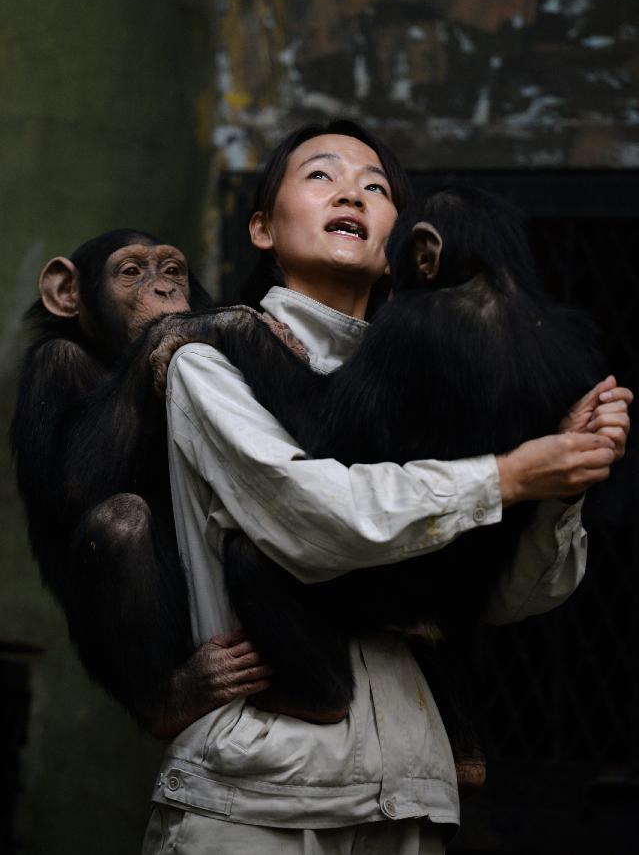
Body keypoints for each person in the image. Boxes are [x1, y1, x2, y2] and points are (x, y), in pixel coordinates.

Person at [142, 121, 631, 854]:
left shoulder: (444, 352)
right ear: (261, 227)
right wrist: (510, 473)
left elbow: (509, 597)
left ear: (413, 248)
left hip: (413, 786)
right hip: (259, 793)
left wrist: (564, 476)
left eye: (376, 187)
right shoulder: (208, 360)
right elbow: (315, 519)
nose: (352, 191)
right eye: (320, 176)